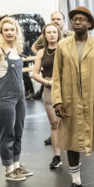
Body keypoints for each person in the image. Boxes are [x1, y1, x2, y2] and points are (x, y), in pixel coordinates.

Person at [51, 6, 94, 187]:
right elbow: (57, 75)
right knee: (71, 141)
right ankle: (76, 182)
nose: (77, 22)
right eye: (74, 19)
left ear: (89, 23)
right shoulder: (63, 46)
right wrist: (57, 100)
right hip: (70, 102)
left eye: (81, 19)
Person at [0, 16, 31, 182]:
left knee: (18, 131)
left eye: (13, 29)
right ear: (1, 33)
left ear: (17, 32)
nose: (10, 32)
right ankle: (8, 168)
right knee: (7, 133)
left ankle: (17, 165)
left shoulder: (17, 51)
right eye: (6, 30)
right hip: (4, 97)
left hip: (20, 98)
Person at [32, 23, 63, 169]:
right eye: (48, 32)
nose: (51, 34)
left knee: (69, 123)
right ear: (44, 35)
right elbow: (34, 73)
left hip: (66, 88)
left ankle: (72, 153)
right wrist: (48, 83)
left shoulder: (65, 49)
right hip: (49, 88)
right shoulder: (41, 52)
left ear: (58, 34)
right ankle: (57, 156)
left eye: (54, 32)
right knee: (54, 123)